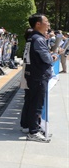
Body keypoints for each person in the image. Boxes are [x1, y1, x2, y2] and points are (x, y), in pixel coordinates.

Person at [23, 14, 56, 142]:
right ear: (38, 24)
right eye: (46, 22)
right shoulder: (39, 39)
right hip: (39, 76)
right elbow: (47, 59)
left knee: (30, 102)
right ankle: (33, 131)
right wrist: (53, 57)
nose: (48, 24)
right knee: (36, 104)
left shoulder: (31, 38)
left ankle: (27, 126)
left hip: (32, 74)